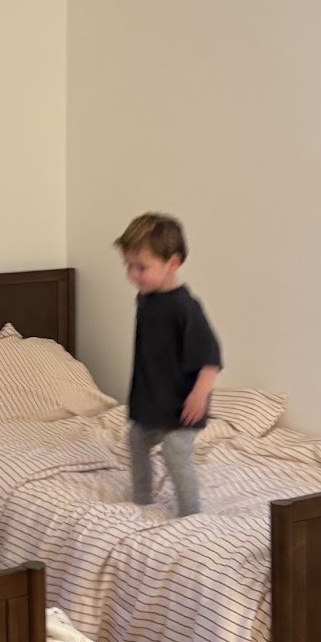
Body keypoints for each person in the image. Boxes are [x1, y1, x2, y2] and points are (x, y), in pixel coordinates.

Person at [116, 212, 221, 517]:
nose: (133, 274)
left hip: (185, 402)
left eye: (142, 267)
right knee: (136, 440)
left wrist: (200, 395)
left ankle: (191, 512)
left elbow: (210, 356)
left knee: (175, 450)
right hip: (156, 399)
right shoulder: (146, 298)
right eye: (128, 266)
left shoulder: (184, 307)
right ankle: (142, 499)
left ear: (172, 263)